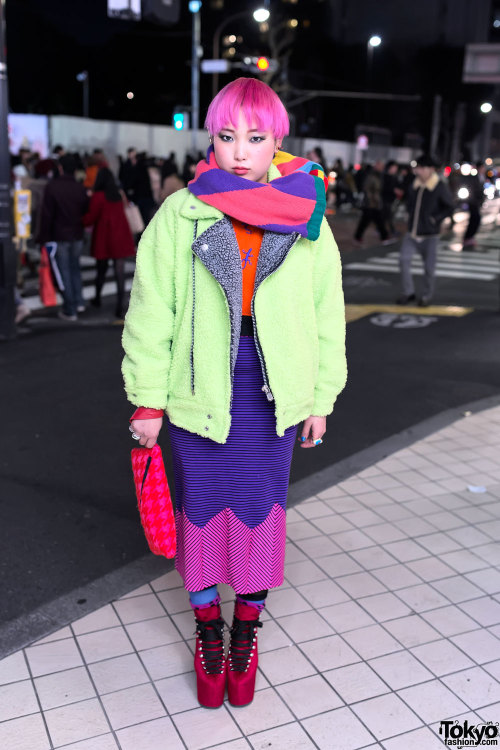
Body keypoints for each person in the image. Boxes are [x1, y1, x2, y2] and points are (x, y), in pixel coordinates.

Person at [122, 77, 347, 710]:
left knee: (259, 514)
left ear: (278, 141)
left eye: (255, 138)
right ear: (211, 141)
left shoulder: (307, 216)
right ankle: (208, 631)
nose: (240, 152)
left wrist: (320, 397)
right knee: (204, 513)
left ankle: (246, 630)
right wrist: (147, 399)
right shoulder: (182, 212)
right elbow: (151, 312)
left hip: (273, 394)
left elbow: (327, 314)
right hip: (199, 392)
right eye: (226, 137)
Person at [396, 154, 454, 306]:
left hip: (430, 235)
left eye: (421, 168)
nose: (418, 171)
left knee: (429, 268)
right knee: (403, 261)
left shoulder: (439, 186)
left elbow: (449, 207)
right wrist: (408, 212)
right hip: (412, 233)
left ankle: (426, 296)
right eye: (418, 168)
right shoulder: (414, 185)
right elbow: (409, 202)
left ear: (430, 169)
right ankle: (408, 293)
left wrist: (435, 219)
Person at [38, 154, 89, 320]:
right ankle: (79, 302)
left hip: (59, 234)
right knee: (75, 268)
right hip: (77, 234)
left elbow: (47, 215)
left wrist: (42, 237)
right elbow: (85, 211)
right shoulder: (80, 188)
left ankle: (70, 308)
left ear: (60, 168)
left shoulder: (52, 187)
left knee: (63, 271)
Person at [82, 167, 135, 320]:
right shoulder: (118, 194)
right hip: (120, 233)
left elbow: (91, 217)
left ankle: (97, 297)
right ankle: (120, 306)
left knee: (101, 269)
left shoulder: (98, 196)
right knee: (120, 272)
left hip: (104, 235)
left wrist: (81, 221)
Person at [353, 160, 389, 243]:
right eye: (381, 166)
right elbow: (367, 189)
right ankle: (384, 237)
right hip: (371, 203)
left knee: (368, 220)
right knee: (373, 220)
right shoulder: (372, 175)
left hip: (373, 202)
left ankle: (384, 236)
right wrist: (371, 200)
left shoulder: (378, 175)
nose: (382, 168)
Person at [462, 162, 486, 250]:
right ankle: (468, 237)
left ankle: (469, 237)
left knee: (475, 219)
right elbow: (471, 189)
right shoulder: (474, 177)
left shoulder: (482, 176)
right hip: (473, 203)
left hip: (477, 202)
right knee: (475, 218)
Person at [381, 160, 399, 236]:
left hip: (390, 199)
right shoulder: (384, 176)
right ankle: (392, 230)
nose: (396, 169)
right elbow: (383, 188)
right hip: (385, 199)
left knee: (385, 216)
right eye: (394, 167)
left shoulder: (394, 177)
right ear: (390, 167)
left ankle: (381, 229)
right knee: (389, 216)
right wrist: (394, 190)